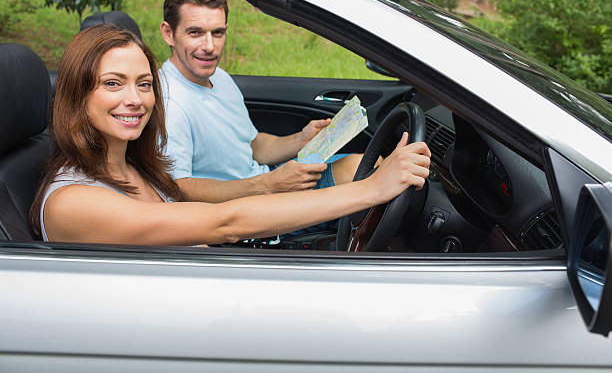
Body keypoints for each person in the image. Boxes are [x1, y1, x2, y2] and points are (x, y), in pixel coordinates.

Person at [30, 24, 431, 245]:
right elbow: (225, 221)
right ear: (79, 96)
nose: (135, 99)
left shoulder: (135, 165)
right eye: (113, 84)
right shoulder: (72, 202)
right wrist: (372, 189)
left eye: (144, 84)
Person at [159, 0, 365, 204]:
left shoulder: (220, 77)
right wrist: (268, 185)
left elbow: (253, 145)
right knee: (357, 171)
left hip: (262, 182)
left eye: (217, 33)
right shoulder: (170, 103)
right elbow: (177, 188)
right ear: (168, 33)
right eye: (195, 33)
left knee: (369, 162)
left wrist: (301, 140)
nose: (209, 47)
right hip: (245, 210)